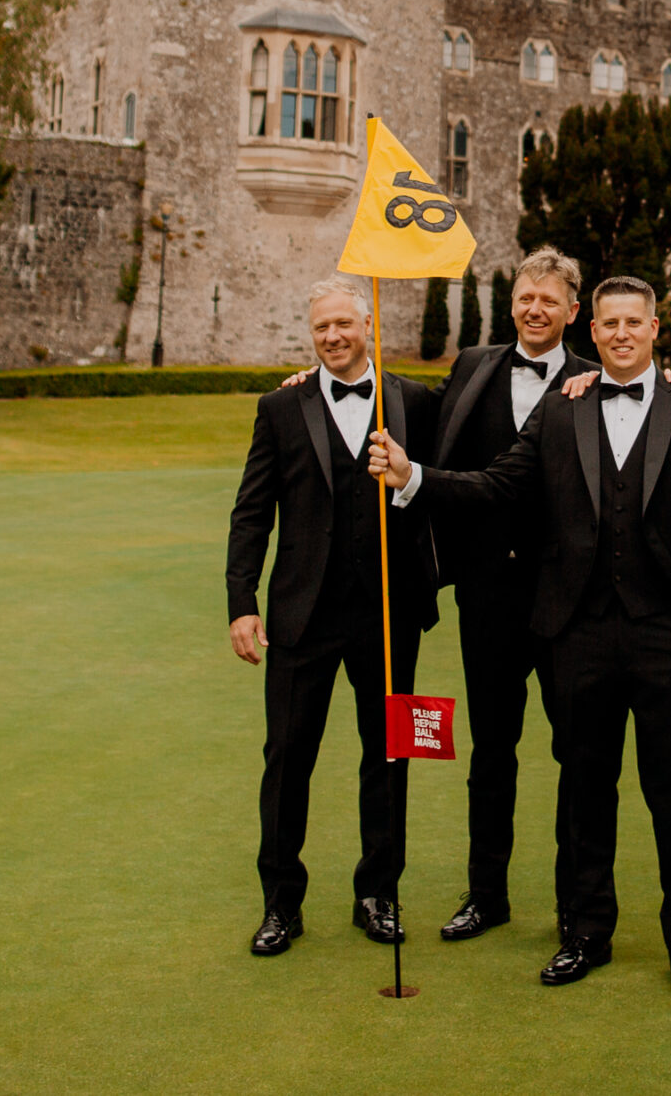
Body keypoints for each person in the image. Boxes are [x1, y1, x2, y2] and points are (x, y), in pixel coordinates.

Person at [370, 276, 671, 999]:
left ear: (655, 329)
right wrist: (414, 476)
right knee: (584, 789)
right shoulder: (558, 409)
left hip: (670, 634)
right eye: (611, 323)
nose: (623, 332)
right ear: (592, 332)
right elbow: (498, 484)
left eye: (636, 321)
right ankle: (585, 930)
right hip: (579, 630)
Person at [226, 278, 440, 957]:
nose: (333, 337)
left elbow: (444, 488)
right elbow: (251, 512)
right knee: (288, 761)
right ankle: (281, 905)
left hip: (389, 612)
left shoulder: (414, 402)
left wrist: (406, 482)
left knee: (391, 755)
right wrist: (242, 602)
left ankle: (378, 893)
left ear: (367, 322)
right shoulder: (281, 407)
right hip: (301, 615)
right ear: (311, 333)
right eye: (322, 328)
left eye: (344, 323)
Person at [419, 247, 596, 941]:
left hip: (567, 599)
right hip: (487, 595)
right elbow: (418, 411)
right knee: (492, 747)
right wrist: (320, 379)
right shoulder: (473, 364)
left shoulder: (596, 378)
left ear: (572, 310)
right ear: (512, 300)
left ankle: (575, 904)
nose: (534, 309)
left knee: (576, 750)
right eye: (526, 296)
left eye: (549, 300)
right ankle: (485, 893)